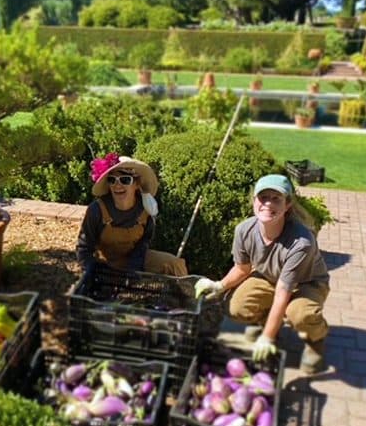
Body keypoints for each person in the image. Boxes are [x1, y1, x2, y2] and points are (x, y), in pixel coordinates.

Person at [194, 174, 330, 374]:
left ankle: (316, 339)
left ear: (288, 205)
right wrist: (219, 285)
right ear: (254, 201)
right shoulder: (244, 230)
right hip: (270, 277)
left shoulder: (301, 242)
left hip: (307, 283)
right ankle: (267, 321)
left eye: (276, 199)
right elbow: (243, 269)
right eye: (263, 197)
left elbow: (283, 292)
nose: (268, 203)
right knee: (237, 307)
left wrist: (267, 337)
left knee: (299, 314)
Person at [76, 152, 188, 276]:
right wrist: (90, 273)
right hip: (105, 263)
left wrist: (135, 264)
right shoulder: (97, 210)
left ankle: (185, 293)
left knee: (174, 264)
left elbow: (145, 240)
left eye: (125, 180)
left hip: (135, 260)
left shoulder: (146, 209)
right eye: (112, 180)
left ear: (136, 184)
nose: (117, 185)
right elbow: (84, 248)